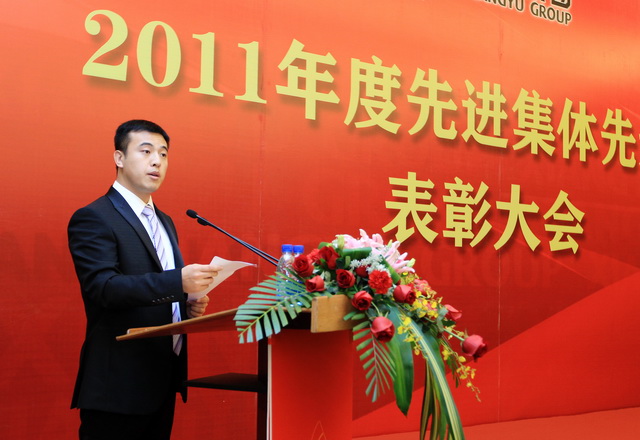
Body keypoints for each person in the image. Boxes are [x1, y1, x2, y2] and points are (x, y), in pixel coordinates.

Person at [68, 119, 221, 440]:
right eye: (146, 151)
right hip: (118, 386)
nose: (157, 161)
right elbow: (103, 289)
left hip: (162, 378)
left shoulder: (165, 221)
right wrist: (177, 283)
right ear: (119, 158)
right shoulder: (95, 217)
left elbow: (158, 289)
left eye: (163, 154)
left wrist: (186, 303)